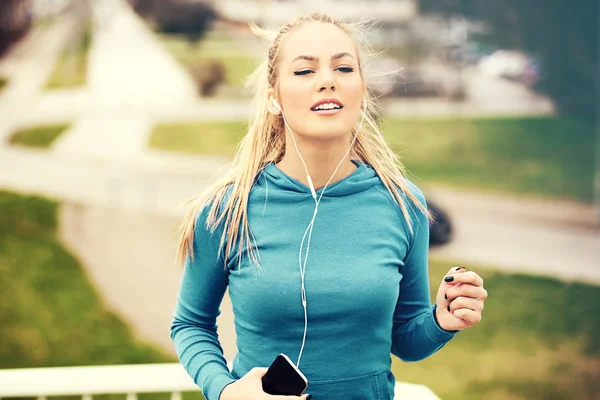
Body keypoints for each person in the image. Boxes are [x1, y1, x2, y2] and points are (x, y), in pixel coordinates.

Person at [170, 13, 488, 400]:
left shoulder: (403, 204)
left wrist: (441, 319)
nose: (327, 80)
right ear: (274, 98)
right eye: (304, 71)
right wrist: (226, 391)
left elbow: (405, 340)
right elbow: (190, 324)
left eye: (343, 67)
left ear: (363, 93)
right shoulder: (226, 210)